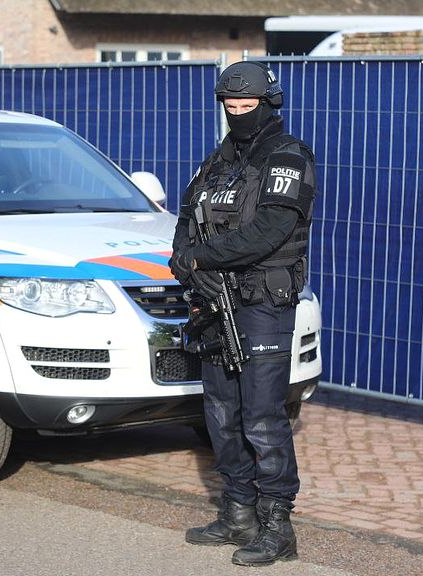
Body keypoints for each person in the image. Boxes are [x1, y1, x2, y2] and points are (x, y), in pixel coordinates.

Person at [169, 61, 315, 566]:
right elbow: (187, 219)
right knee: (220, 413)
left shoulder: (288, 157)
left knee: (262, 416)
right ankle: (238, 514)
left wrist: (202, 258)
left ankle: (278, 526)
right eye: (230, 106)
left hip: (262, 305)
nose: (237, 113)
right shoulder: (217, 161)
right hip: (215, 303)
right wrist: (185, 261)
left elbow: (269, 231)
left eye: (247, 105)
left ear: (269, 103)